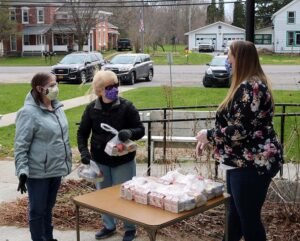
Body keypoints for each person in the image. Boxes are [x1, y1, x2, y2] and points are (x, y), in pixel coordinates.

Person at [196, 40, 283, 241]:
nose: (227, 59)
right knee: (235, 217)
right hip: (241, 162)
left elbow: (240, 130)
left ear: (240, 58)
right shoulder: (250, 84)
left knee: (248, 220)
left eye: (230, 55)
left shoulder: (250, 87)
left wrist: (208, 136)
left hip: (251, 164)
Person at [77, 70, 145, 241]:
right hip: (100, 161)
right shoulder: (92, 109)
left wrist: (129, 132)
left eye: (116, 85)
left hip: (123, 160)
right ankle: (109, 226)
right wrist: (84, 152)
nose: (115, 89)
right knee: (103, 195)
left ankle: (130, 228)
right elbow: (82, 133)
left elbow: (140, 130)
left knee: (126, 194)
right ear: (100, 90)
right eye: (110, 87)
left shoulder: (127, 106)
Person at [14, 72, 72, 241]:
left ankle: (48, 237)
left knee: (48, 208)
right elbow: (20, 146)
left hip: (55, 169)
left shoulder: (57, 107)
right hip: (38, 173)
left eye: (56, 84)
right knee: (37, 211)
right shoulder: (28, 113)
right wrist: (22, 171)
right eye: (52, 85)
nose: (56, 88)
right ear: (40, 89)